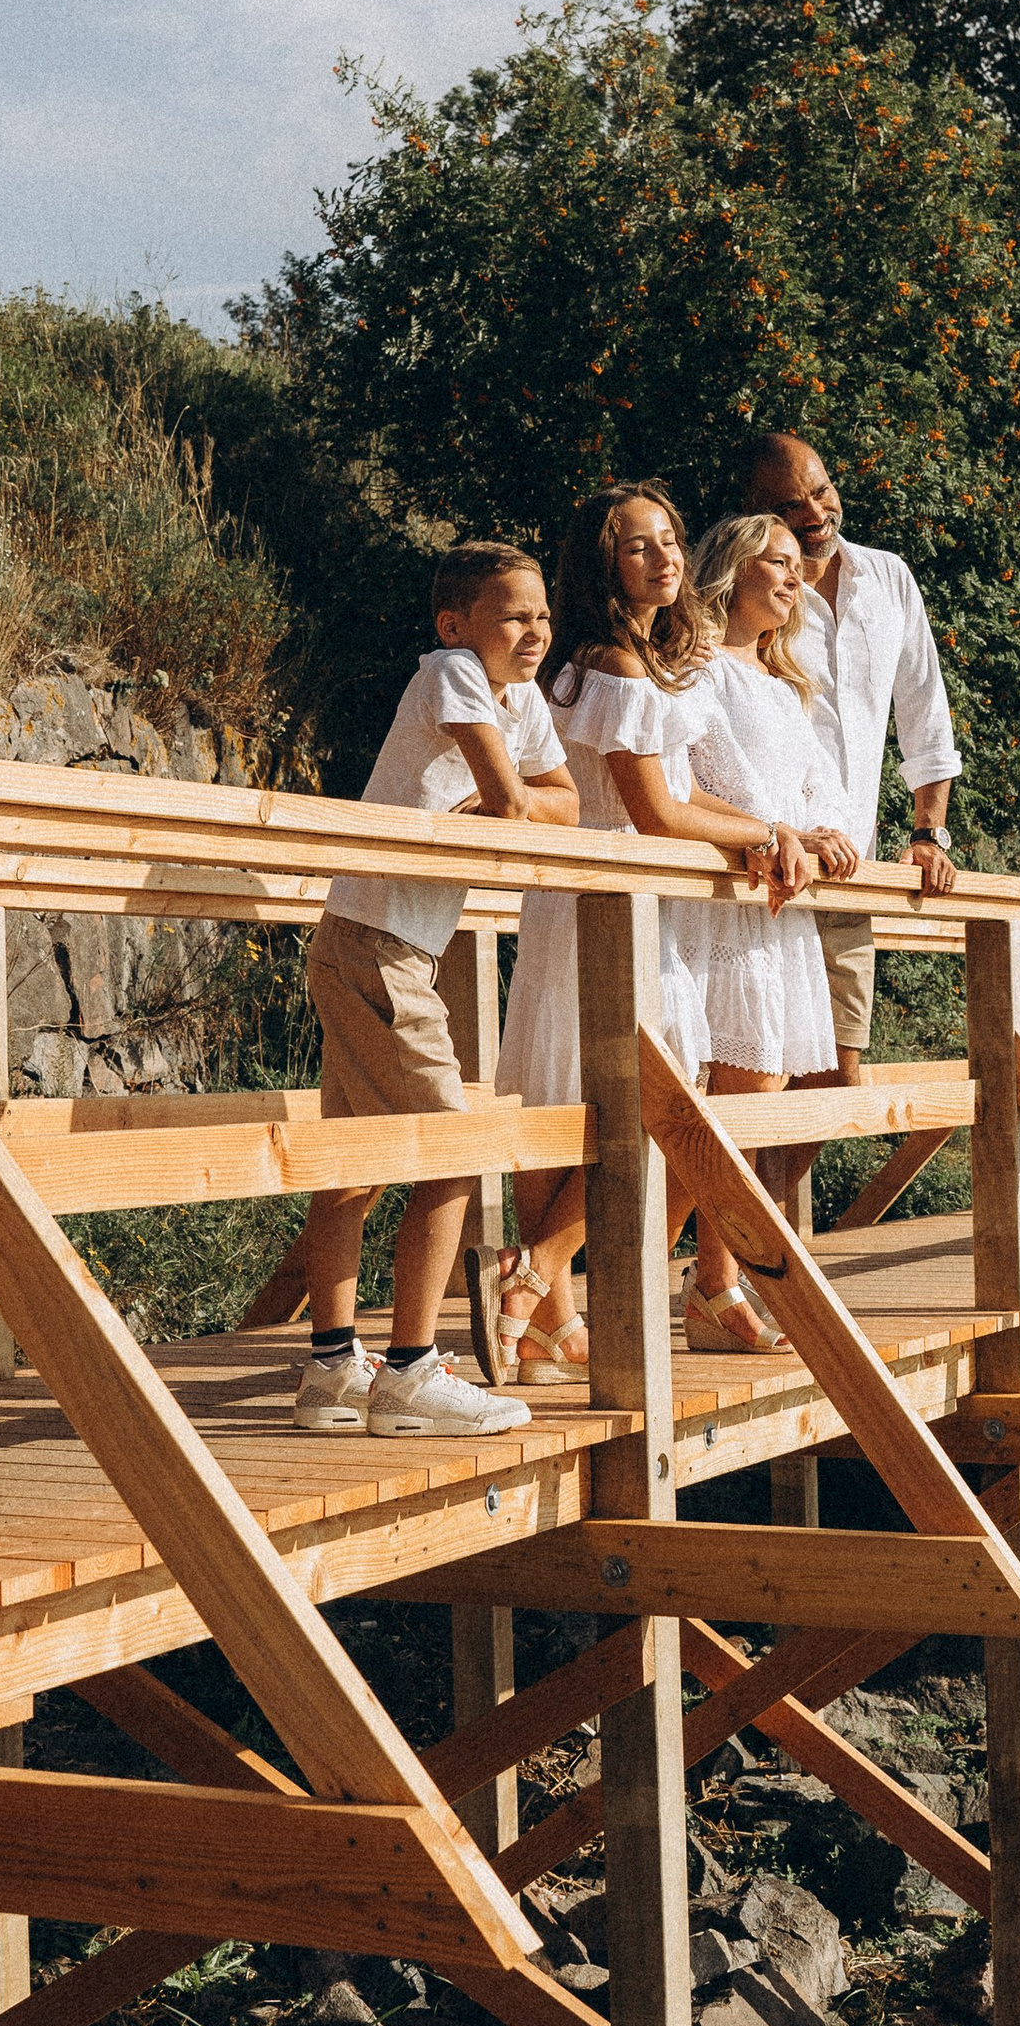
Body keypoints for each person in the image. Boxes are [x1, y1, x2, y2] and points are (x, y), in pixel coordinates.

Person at [495, 481, 809, 1384]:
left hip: (636, 906)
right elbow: (656, 810)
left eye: (670, 540)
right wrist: (765, 834)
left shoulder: (640, 660)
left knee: (633, 1101)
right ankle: (543, 1281)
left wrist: (766, 829)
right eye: (639, 546)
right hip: (608, 904)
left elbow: (686, 794)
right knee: (637, 1103)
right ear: (603, 565)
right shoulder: (615, 666)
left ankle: (548, 1308)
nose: (666, 557)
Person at [294, 541, 577, 1437]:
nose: (533, 632)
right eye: (512, 616)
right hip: (378, 943)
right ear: (457, 625)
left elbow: (562, 798)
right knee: (450, 1153)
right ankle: (410, 1375)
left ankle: (335, 1371)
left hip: (381, 943)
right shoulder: (452, 671)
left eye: (541, 615)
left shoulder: (518, 696)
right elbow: (511, 797)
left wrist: (517, 803)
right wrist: (512, 803)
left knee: (354, 1168)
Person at [679, 511, 860, 1350]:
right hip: (724, 904)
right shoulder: (697, 669)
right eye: (776, 564)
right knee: (727, 1095)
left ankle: (715, 1281)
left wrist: (821, 831)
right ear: (731, 569)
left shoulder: (790, 684)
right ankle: (699, 1281)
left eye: (799, 567)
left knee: (762, 1096)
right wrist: (771, 827)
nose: (795, 579)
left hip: (780, 906)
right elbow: (697, 778)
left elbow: (819, 785)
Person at [740, 432, 961, 1088]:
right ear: (753, 513)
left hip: (850, 873)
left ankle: (762, 1199)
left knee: (836, 1082)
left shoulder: (888, 578)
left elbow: (927, 715)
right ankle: (734, 1197)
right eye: (789, 506)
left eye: (821, 491)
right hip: (762, 873)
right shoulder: (739, 587)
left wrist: (928, 833)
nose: (813, 515)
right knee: (753, 1087)